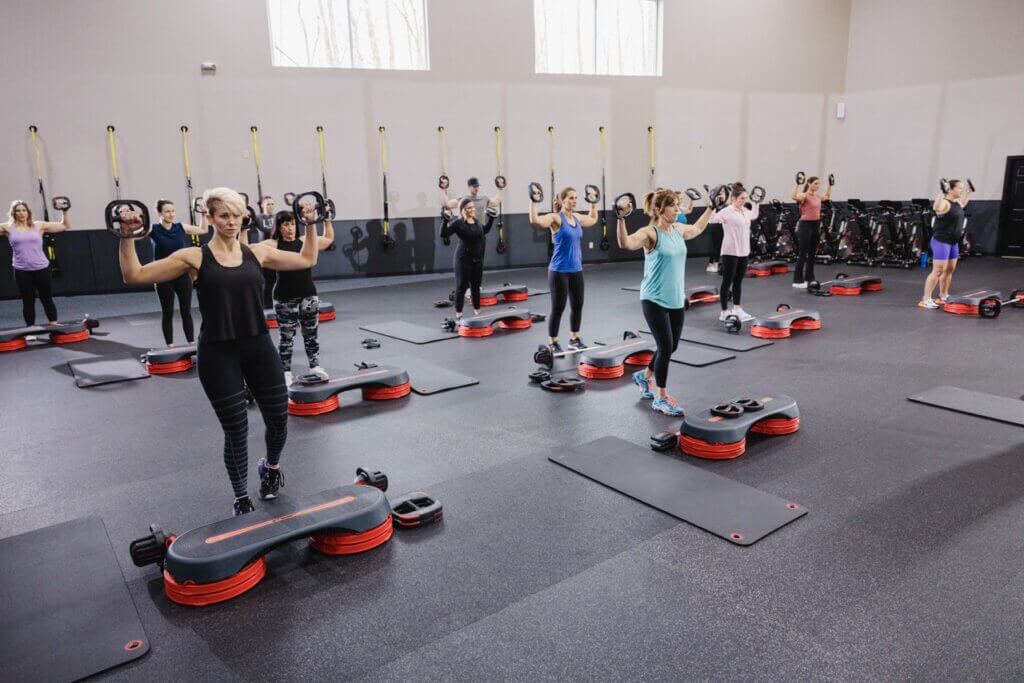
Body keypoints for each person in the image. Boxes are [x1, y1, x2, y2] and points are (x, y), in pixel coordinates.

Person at [116, 187, 319, 516]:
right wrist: (127, 236)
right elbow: (134, 274)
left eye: (236, 215)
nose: (231, 222)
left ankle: (271, 468)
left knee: (280, 420)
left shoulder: (259, 252)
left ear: (244, 217)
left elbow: (307, 259)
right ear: (209, 218)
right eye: (223, 215)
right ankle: (241, 497)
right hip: (218, 353)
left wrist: (311, 223)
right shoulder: (194, 258)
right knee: (236, 429)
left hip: (258, 346)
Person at [617, 188, 712, 416]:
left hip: (676, 299)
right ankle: (660, 398)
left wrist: (711, 208)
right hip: (653, 298)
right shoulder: (650, 233)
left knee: (672, 347)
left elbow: (698, 227)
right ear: (659, 209)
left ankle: (644, 375)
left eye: (678, 204)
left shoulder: (678, 229)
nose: (677, 209)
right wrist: (620, 219)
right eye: (673, 206)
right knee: (666, 347)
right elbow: (626, 244)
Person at [259, 205, 335, 385]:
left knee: (311, 335)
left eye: (292, 223)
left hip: (308, 295)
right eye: (285, 224)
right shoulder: (272, 244)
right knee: (286, 338)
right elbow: (249, 249)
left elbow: (329, 239)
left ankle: (315, 366)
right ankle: (285, 371)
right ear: (278, 227)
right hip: (284, 297)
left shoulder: (305, 240)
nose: (290, 228)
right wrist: (244, 229)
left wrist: (327, 219)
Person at [529, 187, 599, 350]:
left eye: (576, 198)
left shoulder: (577, 217)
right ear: (562, 201)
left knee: (577, 305)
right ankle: (552, 342)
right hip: (559, 271)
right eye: (571, 198)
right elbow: (536, 221)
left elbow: (593, 219)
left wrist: (593, 203)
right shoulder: (556, 218)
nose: (574, 201)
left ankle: (574, 339)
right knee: (558, 308)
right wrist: (533, 201)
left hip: (576, 269)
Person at [1, 200, 71, 326]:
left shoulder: (38, 225)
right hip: (21, 270)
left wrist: (64, 211)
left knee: (47, 298)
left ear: (28, 212)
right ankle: (30, 329)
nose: (21, 213)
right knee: (28, 301)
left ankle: (53, 323)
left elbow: (65, 226)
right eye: (18, 211)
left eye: (24, 210)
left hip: (41, 268)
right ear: (13, 213)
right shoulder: (7, 227)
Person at [150, 199, 209, 346]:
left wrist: (203, 214)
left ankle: (191, 344)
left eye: (172, 211)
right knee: (168, 312)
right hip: (163, 276)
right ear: (159, 213)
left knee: (186, 311)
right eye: (167, 211)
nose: (171, 214)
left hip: (182, 275)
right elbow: (136, 235)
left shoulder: (180, 226)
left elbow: (203, 230)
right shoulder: (153, 229)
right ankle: (170, 346)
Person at [440, 198, 497, 322]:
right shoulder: (458, 223)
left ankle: (477, 311)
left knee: (476, 287)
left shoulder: (476, 222)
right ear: (463, 210)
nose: (472, 209)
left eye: (473, 207)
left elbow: (484, 230)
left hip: (477, 260)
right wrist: (445, 220)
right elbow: (443, 233)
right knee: (461, 287)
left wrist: (491, 218)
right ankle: (459, 313)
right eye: (469, 208)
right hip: (463, 259)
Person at [920, 179, 971, 309]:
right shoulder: (945, 203)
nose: (961, 190)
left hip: (953, 242)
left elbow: (964, 202)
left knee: (949, 270)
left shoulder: (957, 203)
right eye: (959, 188)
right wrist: (942, 191)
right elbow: (936, 207)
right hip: (941, 242)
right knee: (938, 271)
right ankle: (926, 299)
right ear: (951, 189)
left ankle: (943, 295)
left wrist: (968, 191)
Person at [712, 186, 760, 322]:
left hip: (743, 251)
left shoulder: (745, 211)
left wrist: (757, 203)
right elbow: (712, 220)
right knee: (727, 282)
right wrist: (713, 206)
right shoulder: (726, 211)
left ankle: (737, 309)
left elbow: (754, 215)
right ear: (733, 198)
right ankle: (724, 312)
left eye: (745, 198)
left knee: (738, 281)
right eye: (741, 198)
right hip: (730, 251)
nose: (744, 201)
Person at [791, 175, 832, 288]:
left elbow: (827, 197)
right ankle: (797, 281)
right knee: (803, 254)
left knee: (812, 254)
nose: (817, 186)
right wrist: (797, 184)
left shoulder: (817, 196)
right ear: (809, 183)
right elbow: (794, 196)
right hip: (805, 225)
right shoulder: (805, 195)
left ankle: (809, 277)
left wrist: (830, 185)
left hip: (816, 225)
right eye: (815, 183)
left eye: (818, 184)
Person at [249, 195, 277, 308]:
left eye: (272, 204)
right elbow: (247, 223)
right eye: (268, 204)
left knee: (278, 279)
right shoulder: (258, 218)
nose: (270, 206)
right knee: (268, 280)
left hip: (277, 250)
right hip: (264, 252)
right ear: (262, 205)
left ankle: (279, 301)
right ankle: (266, 305)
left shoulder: (277, 217)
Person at [705, 185, 727, 273]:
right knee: (716, 246)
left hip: (721, 225)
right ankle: (712, 264)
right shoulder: (714, 203)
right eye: (720, 192)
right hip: (715, 226)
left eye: (722, 192)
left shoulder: (724, 204)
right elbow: (710, 205)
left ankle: (715, 264)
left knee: (718, 246)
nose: (721, 194)